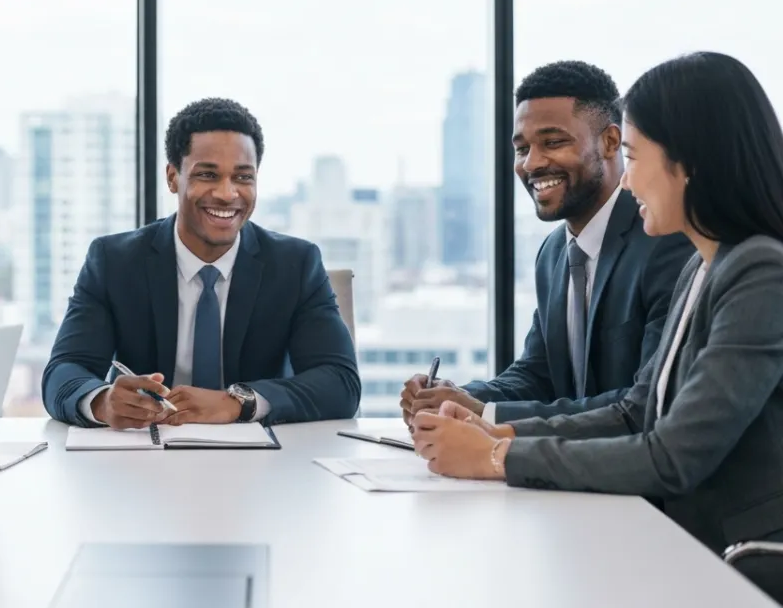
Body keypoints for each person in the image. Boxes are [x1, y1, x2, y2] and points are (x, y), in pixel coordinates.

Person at [412, 52, 783, 555]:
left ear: (689, 162)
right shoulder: (704, 266)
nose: (626, 180)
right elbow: (637, 412)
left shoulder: (760, 271)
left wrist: (497, 455)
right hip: (685, 542)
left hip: (742, 555)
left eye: (632, 156)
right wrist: (492, 429)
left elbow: (673, 455)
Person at [400, 61, 692, 425]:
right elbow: (538, 375)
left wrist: (487, 415)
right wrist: (456, 397)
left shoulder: (664, 240)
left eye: (553, 142)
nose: (532, 163)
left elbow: (647, 401)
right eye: (522, 149)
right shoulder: (554, 253)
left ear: (610, 142)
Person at [41, 97, 360, 429]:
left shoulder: (295, 265)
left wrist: (238, 403)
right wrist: (102, 401)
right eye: (208, 175)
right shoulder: (115, 262)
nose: (227, 193)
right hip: (143, 461)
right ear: (173, 177)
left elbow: (341, 384)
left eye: (243, 177)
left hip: (262, 464)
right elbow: (64, 371)